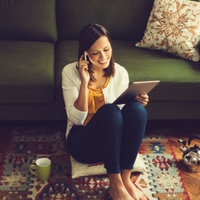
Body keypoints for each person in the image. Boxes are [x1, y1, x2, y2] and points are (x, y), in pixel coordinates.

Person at [62, 23, 149, 200]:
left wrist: (138, 102)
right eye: (95, 53)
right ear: (85, 53)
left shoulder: (120, 73)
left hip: (112, 144)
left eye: (106, 49)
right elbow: (77, 119)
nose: (103, 57)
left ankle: (126, 180)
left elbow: (123, 117)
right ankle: (115, 185)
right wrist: (84, 83)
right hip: (82, 142)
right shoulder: (70, 72)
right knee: (109, 111)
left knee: (137, 110)